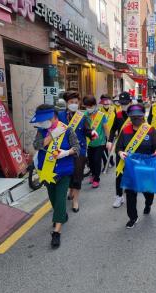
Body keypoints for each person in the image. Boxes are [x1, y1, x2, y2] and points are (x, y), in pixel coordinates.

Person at [31, 104, 80, 248]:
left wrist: (65, 153)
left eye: (45, 119)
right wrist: (52, 134)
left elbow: (77, 147)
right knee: (53, 199)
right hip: (46, 171)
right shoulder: (42, 130)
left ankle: (56, 232)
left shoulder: (68, 129)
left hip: (63, 171)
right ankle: (61, 215)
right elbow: (37, 145)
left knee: (60, 199)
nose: (43, 122)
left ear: (53, 117)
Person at [116, 104, 156, 228]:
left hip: (146, 166)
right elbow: (119, 147)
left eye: (138, 116)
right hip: (131, 166)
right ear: (130, 118)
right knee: (130, 192)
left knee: (147, 190)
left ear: (143, 117)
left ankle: (148, 203)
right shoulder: (125, 130)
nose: (136, 119)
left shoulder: (150, 130)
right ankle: (133, 217)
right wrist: (121, 153)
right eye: (133, 117)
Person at [59, 91, 92, 213]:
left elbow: (88, 131)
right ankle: (70, 189)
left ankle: (75, 200)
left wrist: (92, 133)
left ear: (79, 104)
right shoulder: (59, 116)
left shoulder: (83, 116)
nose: (73, 104)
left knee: (77, 176)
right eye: (71, 102)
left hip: (79, 150)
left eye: (76, 102)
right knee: (66, 174)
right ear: (67, 103)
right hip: (64, 150)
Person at [107, 92, 132, 208]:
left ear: (130, 102)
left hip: (134, 148)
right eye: (122, 104)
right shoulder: (118, 115)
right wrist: (110, 141)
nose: (123, 106)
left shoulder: (136, 114)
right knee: (119, 172)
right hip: (121, 148)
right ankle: (119, 196)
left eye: (125, 104)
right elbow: (112, 130)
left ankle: (130, 192)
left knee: (131, 172)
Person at [83, 95, 108, 188]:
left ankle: (96, 179)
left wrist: (108, 140)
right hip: (89, 143)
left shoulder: (101, 115)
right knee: (90, 161)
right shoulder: (84, 115)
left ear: (94, 105)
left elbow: (105, 128)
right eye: (87, 106)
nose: (88, 108)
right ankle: (93, 175)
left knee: (97, 160)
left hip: (100, 142)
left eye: (90, 106)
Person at [99, 94, 115, 170]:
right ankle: (106, 163)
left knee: (110, 148)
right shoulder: (99, 110)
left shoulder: (113, 109)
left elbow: (117, 121)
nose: (105, 102)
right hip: (102, 133)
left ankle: (111, 161)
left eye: (107, 100)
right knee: (103, 149)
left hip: (111, 133)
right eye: (103, 100)